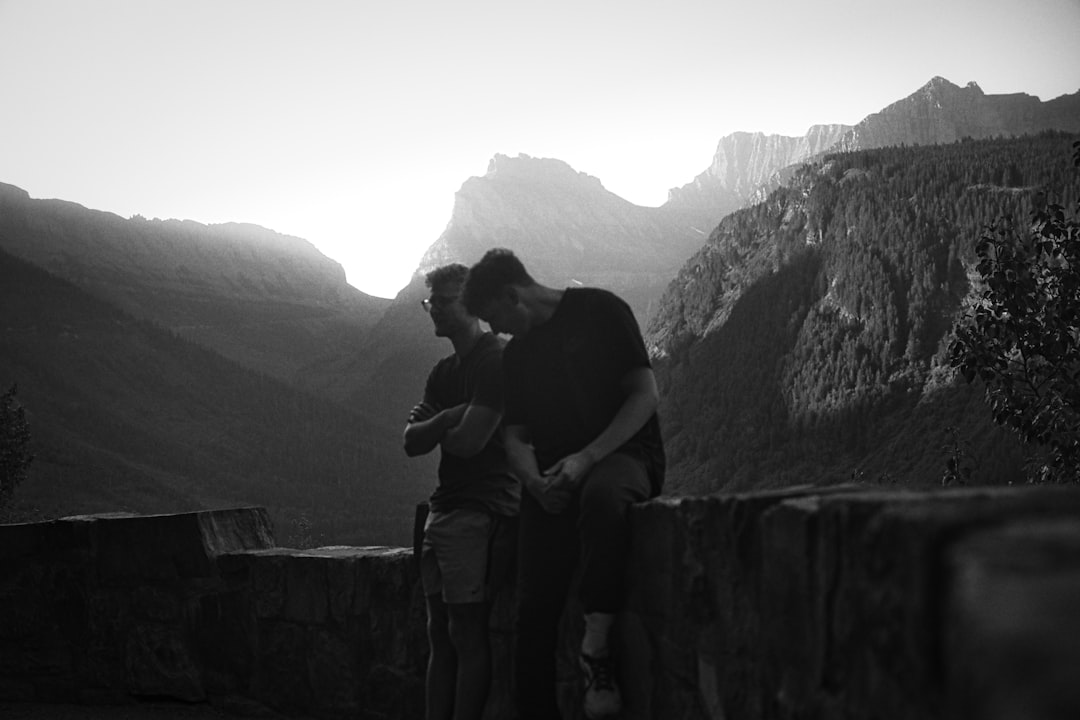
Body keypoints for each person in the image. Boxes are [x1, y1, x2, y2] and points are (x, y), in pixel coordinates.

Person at [462, 249, 665, 720]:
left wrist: (588, 457)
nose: (495, 331)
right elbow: (514, 435)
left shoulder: (601, 311)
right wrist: (533, 482)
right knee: (533, 607)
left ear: (513, 295)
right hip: (553, 476)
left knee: (601, 499)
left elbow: (645, 395)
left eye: (495, 317)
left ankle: (596, 650)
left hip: (624, 456)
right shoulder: (517, 356)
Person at [403, 262, 519, 720]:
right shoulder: (444, 371)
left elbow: (471, 445)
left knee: (466, 635)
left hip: (481, 510)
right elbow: (411, 442)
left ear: (470, 304)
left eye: (444, 302)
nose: (434, 311)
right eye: (431, 302)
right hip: (444, 511)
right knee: (440, 634)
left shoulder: (496, 360)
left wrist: (437, 426)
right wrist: (451, 417)